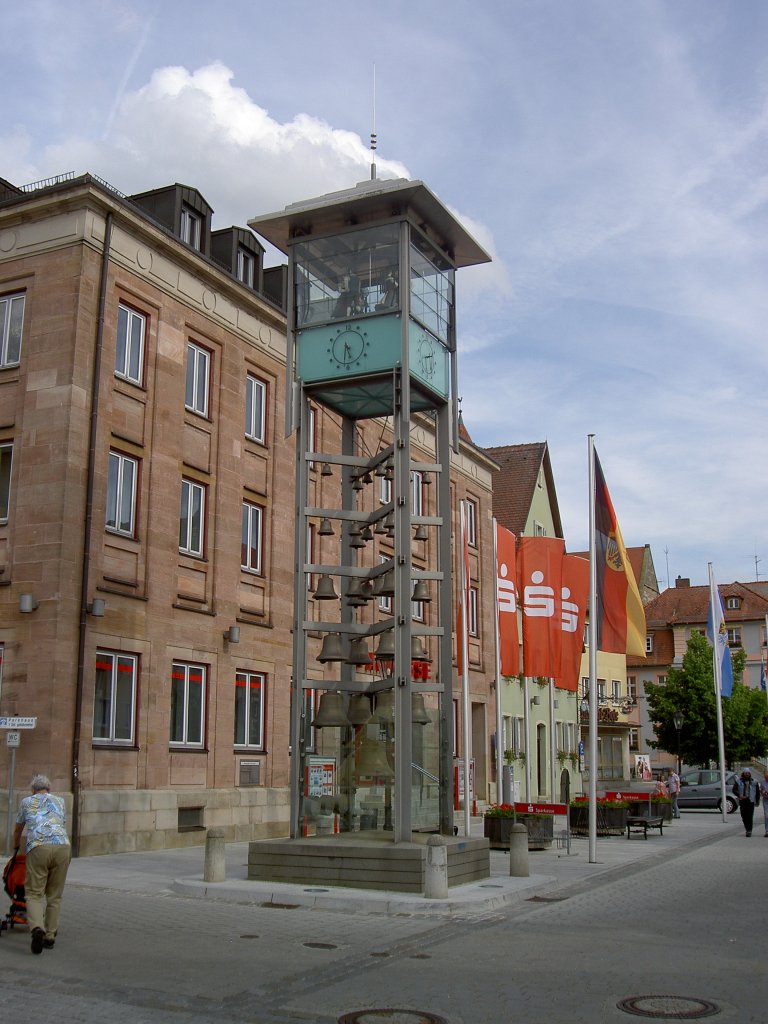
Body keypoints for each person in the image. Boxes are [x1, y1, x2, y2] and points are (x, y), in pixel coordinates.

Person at [12, 774, 71, 954]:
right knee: (54, 895)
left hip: (38, 847)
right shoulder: (60, 801)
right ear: (49, 789)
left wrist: (16, 846)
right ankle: (50, 936)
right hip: (62, 847)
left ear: (33, 790)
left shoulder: (26, 802)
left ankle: (37, 928)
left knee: (34, 893)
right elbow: (61, 824)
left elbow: (18, 828)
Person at [732, 769, 760, 837]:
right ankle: (747, 828)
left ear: (750, 774)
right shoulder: (739, 781)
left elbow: (757, 792)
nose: (747, 774)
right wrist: (739, 795)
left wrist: (757, 801)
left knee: (750, 816)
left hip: (751, 800)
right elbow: (734, 790)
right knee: (743, 816)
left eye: (748, 773)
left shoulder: (754, 781)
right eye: (745, 773)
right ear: (743, 773)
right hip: (743, 800)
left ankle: (749, 830)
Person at [760, 771, 768, 838]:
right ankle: (767, 831)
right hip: (765, 800)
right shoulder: (762, 782)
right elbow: (761, 791)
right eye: (765, 777)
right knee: (766, 815)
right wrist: (763, 792)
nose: (766, 778)